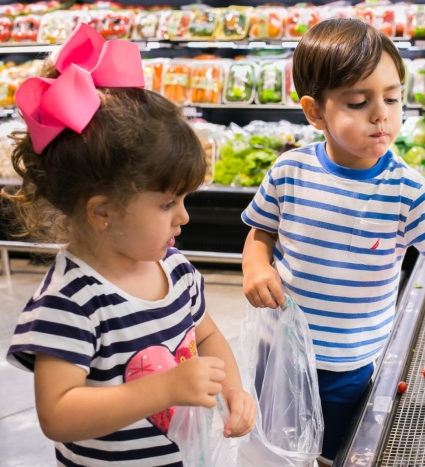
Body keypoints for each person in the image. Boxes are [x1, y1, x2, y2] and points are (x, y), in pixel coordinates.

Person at [241, 19, 425, 466]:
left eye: (393, 98)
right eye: (359, 102)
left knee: (331, 450)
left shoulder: (409, 193)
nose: (382, 114)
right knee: (276, 442)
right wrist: (256, 266)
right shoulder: (289, 171)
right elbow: (261, 232)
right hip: (281, 349)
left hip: (349, 364)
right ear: (315, 111)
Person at [3, 24, 255, 466]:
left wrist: (233, 389)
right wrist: (163, 389)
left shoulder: (175, 270)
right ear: (103, 212)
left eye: (184, 200)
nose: (184, 217)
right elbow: (58, 414)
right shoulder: (70, 301)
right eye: (167, 203)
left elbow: (208, 334)